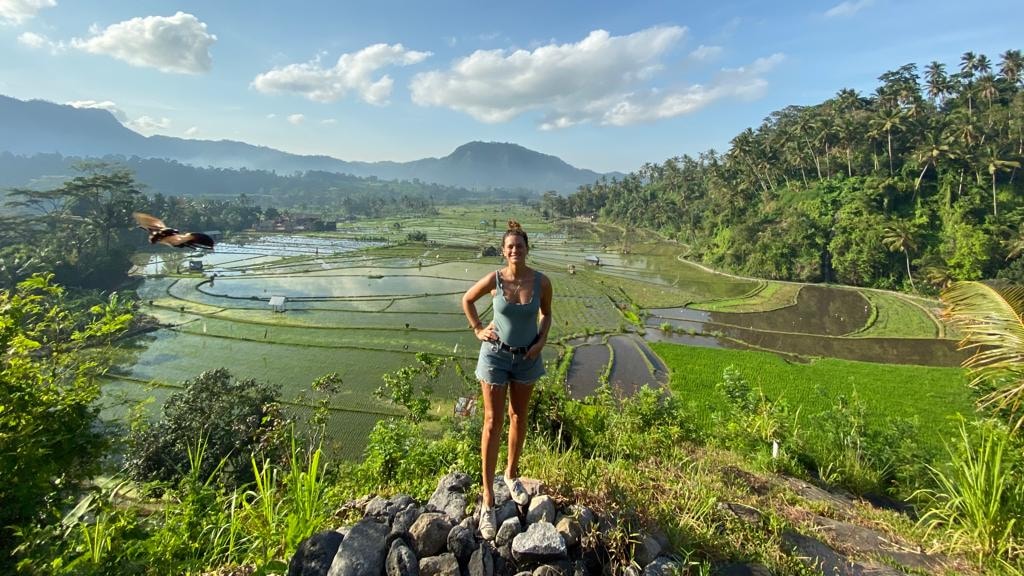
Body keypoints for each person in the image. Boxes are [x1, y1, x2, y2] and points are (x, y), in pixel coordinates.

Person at [462, 220, 552, 540]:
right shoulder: (495, 279)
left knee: (518, 416)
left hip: (527, 358)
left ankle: (511, 474)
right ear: (503, 251)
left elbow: (547, 314)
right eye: (510, 246)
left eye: (520, 246)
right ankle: (487, 498)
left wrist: (541, 342)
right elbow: (467, 300)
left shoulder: (541, 282)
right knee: (491, 421)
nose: (515, 250)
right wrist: (477, 329)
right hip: (495, 355)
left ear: (527, 249)